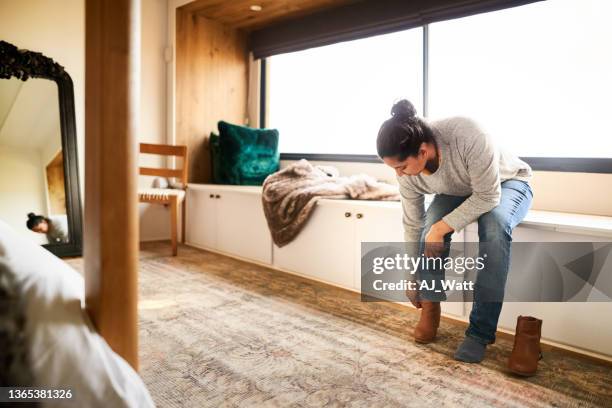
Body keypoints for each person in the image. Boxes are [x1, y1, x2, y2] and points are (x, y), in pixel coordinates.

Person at [376, 99, 533, 363]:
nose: (399, 176)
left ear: (423, 151)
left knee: (493, 226)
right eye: (393, 169)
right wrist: (410, 274)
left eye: (401, 167)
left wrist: (440, 229)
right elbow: (412, 223)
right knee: (428, 226)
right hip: (459, 190)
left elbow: (487, 196)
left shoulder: (468, 134)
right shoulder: (408, 173)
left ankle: (479, 333)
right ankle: (430, 306)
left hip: (506, 183)